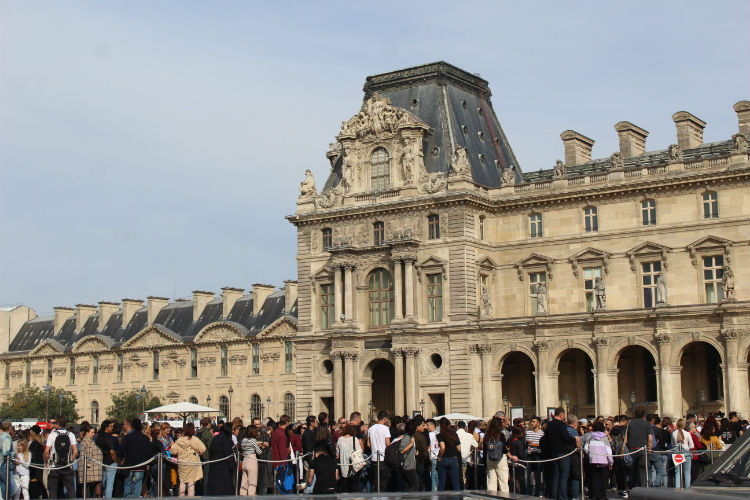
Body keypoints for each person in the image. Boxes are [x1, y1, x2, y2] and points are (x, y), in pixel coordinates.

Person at [543, 407, 577, 500]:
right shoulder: (562, 424)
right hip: (563, 452)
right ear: (561, 415)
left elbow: (547, 438)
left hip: (553, 452)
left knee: (556, 475)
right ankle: (563, 496)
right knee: (564, 475)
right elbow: (565, 437)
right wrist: (573, 439)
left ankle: (554, 496)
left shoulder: (549, 424)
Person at [44, 416, 78, 500]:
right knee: (71, 489)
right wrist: (70, 461)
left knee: (52, 489)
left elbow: (46, 451)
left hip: (54, 466)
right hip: (67, 465)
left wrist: (47, 462)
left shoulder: (52, 435)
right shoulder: (71, 434)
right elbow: (76, 451)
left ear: (57, 424)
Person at [171, 423, 206, 496]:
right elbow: (203, 449)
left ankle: (181, 496)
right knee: (191, 483)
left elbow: (173, 451)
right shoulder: (195, 439)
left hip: (182, 463)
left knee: (182, 482)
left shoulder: (179, 440)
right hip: (192, 463)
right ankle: (190, 497)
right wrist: (197, 451)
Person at [120, 418, 150, 498]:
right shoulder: (145, 438)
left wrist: (122, 458)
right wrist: (147, 464)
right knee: (138, 484)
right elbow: (148, 452)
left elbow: (122, 450)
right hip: (141, 464)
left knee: (127, 484)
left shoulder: (127, 437)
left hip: (129, 464)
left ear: (132, 426)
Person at [625, 406, 652, 489]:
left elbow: (625, 439)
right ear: (644, 414)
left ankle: (632, 489)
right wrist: (649, 449)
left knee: (633, 471)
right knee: (643, 471)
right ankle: (642, 489)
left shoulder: (630, 423)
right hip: (643, 450)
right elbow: (650, 439)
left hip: (632, 449)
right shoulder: (647, 423)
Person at [584, 421, 612, 500]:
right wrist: (610, 461)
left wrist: (590, 455)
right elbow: (608, 450)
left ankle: (595, 496)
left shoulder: (589, 436)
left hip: (593, 461)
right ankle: (603, 495)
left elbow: (586, 448)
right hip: (604, 462)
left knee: (594, 479)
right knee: (603, 479)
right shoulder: (604, 437)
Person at [207, 423, 236, 496]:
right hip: (223, 467)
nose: (233, 431)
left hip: (215, 465)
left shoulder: (216, 438)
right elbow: (229, 453)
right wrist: (232, 465)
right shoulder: (225, 439)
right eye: (232, 429)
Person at [367, 411, 391, 491]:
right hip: (383, 457)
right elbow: (388, 443)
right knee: (384, 479)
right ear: (384, 419)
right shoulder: (385, 428)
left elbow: (368, 444)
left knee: (376, 479)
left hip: (374, 457)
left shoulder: (370, 428)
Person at [336, 424, 362, 493]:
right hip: (353, 467)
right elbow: (360, 451)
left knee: (344, 489)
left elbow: (337, 453)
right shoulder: (355, 439)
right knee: (354, 488)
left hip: (343, 466)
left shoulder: (340, 439)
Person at [436, 417, 461, 491]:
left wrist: (439, 457)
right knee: (455, 483)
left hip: (443, 459)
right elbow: (459, 449)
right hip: (453, 459)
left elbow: (442, 447)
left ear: (440, 425)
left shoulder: (440, 435)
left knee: (442, 483)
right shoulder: (454, 434)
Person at [78, 425, 102, 498]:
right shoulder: (87, 442)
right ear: (87, 433)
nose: (93, 434)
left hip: (93, 469)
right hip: (90, 469)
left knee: (91, 489)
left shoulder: (89, 441)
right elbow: (87, 456)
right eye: (92, 432)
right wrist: (89, 464)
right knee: (89, 490)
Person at [95, 420, 117, 499]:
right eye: (110, 426)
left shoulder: (98, 437)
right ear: (106, 427)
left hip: (101, 462)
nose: (112, 428)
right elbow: (112, 452)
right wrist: (115, 461)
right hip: (110, 462)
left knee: (103, 483)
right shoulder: (108, 438)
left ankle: (101, 496)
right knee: (110, 483)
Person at [240, 425, 263, 495]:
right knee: (252, 482)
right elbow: (259, 452)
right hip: (252, 460)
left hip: (245, 460)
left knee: (244, 483)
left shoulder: (243, 440)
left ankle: (242, 496)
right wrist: (260, 446)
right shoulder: (253, 440)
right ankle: (251, 496)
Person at [671, 419, 693, 488]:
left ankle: (677, 489)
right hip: (686, 452)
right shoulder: (687, 433)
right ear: (684, 425)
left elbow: (672, 445)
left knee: (677, 472)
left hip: (677, 453)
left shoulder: (673, 433)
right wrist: (687, 448)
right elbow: (692, 446)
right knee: (687, 473)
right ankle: (687, 488)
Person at [525, 416, 544, 496]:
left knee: (537, 475)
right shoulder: (528, 433)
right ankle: (528, 492)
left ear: (538, 423)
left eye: (534, 421)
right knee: (527, 475)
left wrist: (534, 444)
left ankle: (537, 492)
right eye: (531, 422)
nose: (532, 423)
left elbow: (543, 445)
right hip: (529, 455)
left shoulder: (542, 433)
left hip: (538, 455)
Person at [27, 426, 46, 499]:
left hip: (34, 466)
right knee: (40, 484)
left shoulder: (34, 443)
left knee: (34, 484)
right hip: (40, 465)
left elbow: (32, 455)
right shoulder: (40, 441)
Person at [399, 421, 418, 492]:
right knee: (415, 485)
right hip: (407, 466)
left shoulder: (410, 437)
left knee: (408, 486)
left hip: (410, 465)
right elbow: (402, 450)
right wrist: (411, 444)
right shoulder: (406, 437)